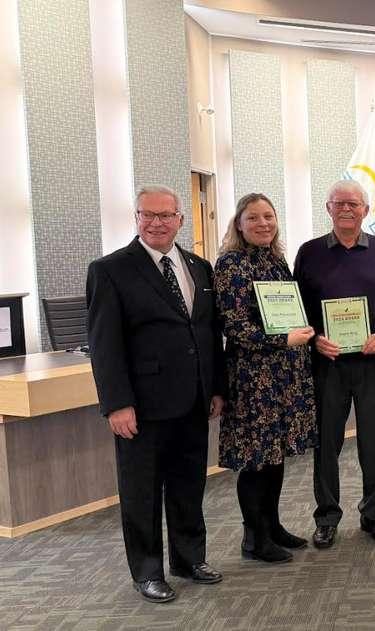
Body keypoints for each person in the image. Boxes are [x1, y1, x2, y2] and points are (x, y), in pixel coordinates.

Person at [86, 185, 225, 603]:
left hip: (193, 400)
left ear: (181, 220)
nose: (157, 223)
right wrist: (116, 403)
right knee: (142, 491)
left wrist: (217, 388)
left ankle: (188, 558)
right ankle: (147, 571)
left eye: (166, 215)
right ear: (137, 218)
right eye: (149, 215)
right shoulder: (111, 269)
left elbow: (207, 332)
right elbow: (103, 344)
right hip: (142, 406)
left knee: (188, 484)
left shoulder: (200, 267)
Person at [293, 180, 375, 549]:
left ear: (365, 210)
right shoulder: (308, 253)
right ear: (328, 209)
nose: (346, 209)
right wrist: (313, 339)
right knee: (326, 443)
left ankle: (373, 512)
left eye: (353, 204)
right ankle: (327, 516)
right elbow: (299, 310)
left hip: (374, 362)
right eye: (339, 203)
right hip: (328, 364)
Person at [214, 193, 317, 564]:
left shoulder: (276, 261)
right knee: (256, 460)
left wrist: (299, 330)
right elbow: (234, 326)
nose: (262, 224)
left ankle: (272, 526)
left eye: (268, 217)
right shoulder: (230, 265)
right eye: (253, 218)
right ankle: (254, 538)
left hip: (284, 375)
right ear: (239, 224)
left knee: (275, 456)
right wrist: (282, 339)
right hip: (253, 378)